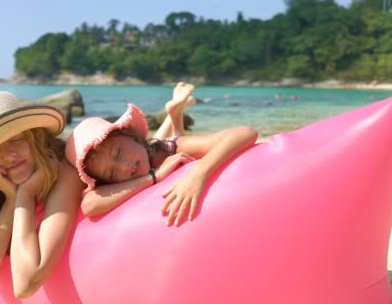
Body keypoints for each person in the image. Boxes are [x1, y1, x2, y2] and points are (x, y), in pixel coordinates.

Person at [0, 91, 84, 298]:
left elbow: (25, 283)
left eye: (16, 139)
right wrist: (12, 199)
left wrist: (25, 194)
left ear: (35, 136)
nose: (8, 156)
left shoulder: (65, 172)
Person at [65, 83, 258, 226]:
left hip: (164, 148)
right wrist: (154, 177)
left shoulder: (170, 149)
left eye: (118, 153)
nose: (124, 167)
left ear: (131, 135)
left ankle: (174, 115)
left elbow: (246, 132)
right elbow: (89, 206)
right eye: (112, 174)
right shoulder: (133, 170)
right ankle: (174, 115)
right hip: (152, 156)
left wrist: (198, 174)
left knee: (173, 143)